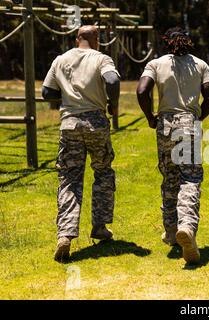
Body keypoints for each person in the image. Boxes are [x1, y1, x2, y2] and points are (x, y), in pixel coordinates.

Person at [136, 27, 209, 264]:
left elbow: (142, 91)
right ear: (187, 42)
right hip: (189, 124)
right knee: (190, 178)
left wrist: (151, 116)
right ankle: (187, 227)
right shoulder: (201, 65)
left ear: (167, 43)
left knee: (169, 178)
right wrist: (198, 118)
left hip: (165, 125)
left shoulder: (156, 64)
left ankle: (171, 232)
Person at [42, 26, 121, 262]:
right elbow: (112, 79)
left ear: (77, 38)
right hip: (96, 122)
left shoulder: (60, 59)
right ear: (97, 39)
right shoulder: (102, 58)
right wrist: (112, 104)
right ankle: (99, 226)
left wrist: (67, 96)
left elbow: (46, 92)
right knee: (103, 172)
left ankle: (65, 234)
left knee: (69, 178)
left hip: (69, 124)